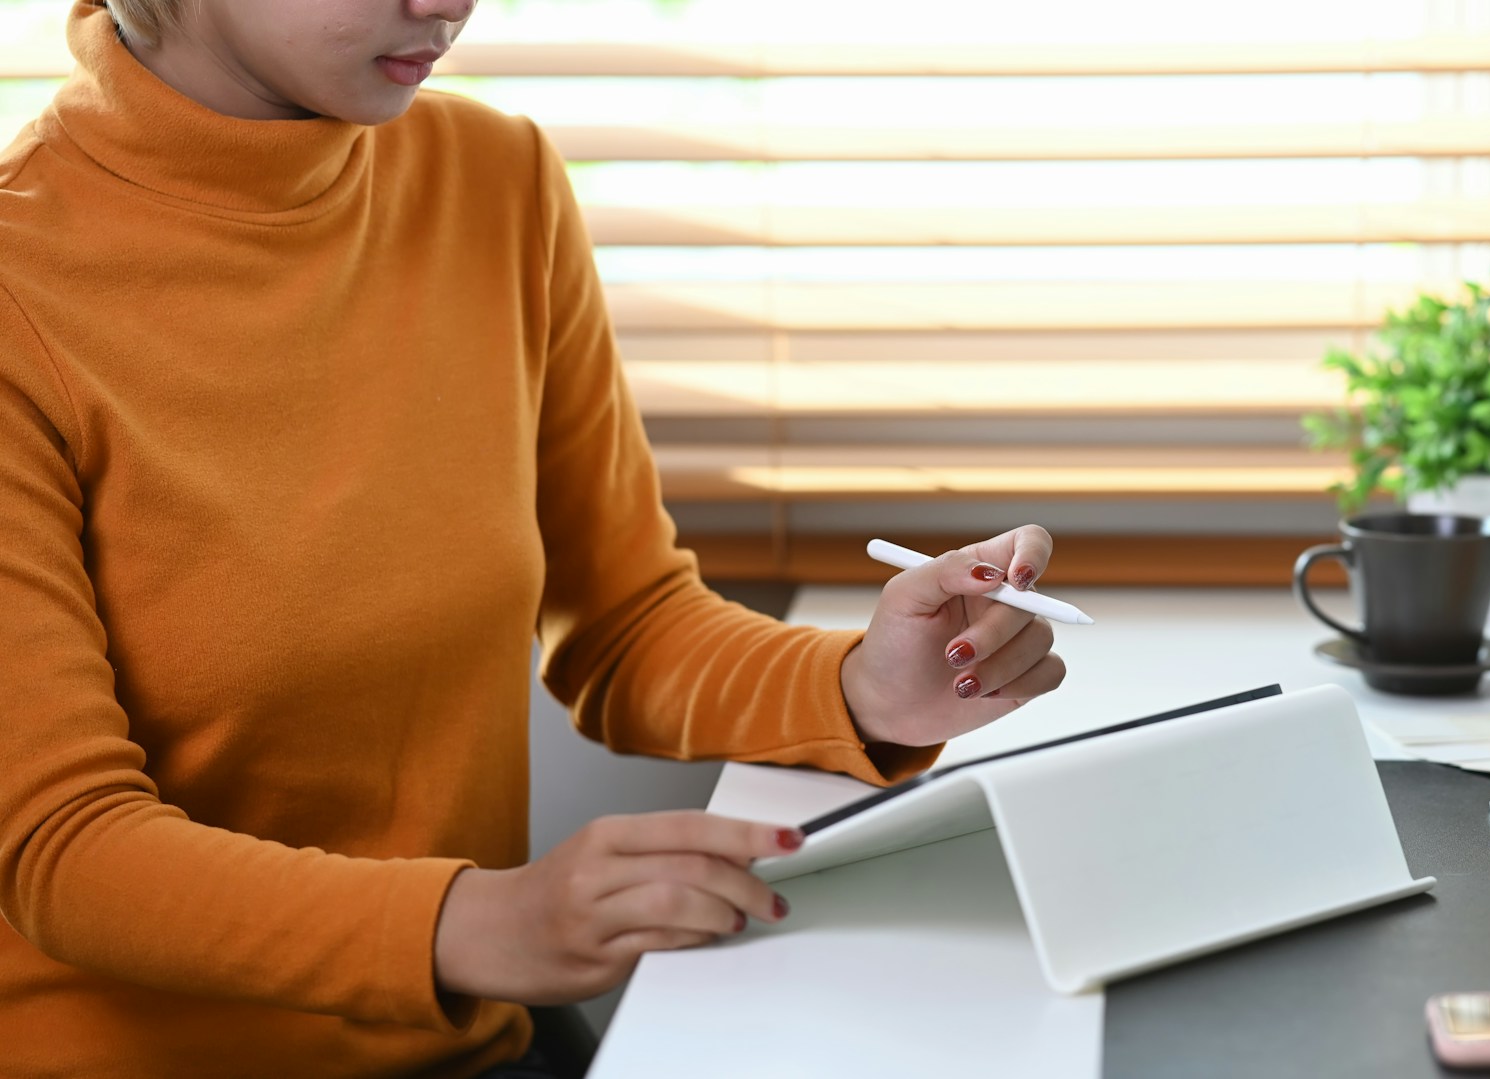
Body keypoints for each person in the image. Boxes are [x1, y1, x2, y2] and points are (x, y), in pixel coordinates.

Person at [0, 1, 1068, 1075]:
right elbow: (61, 847)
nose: (448, 2)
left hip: (467, 1030)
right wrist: (483, 920)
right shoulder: (22, 291)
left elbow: (626, 624)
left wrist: (864, 687)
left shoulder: (489, 176)